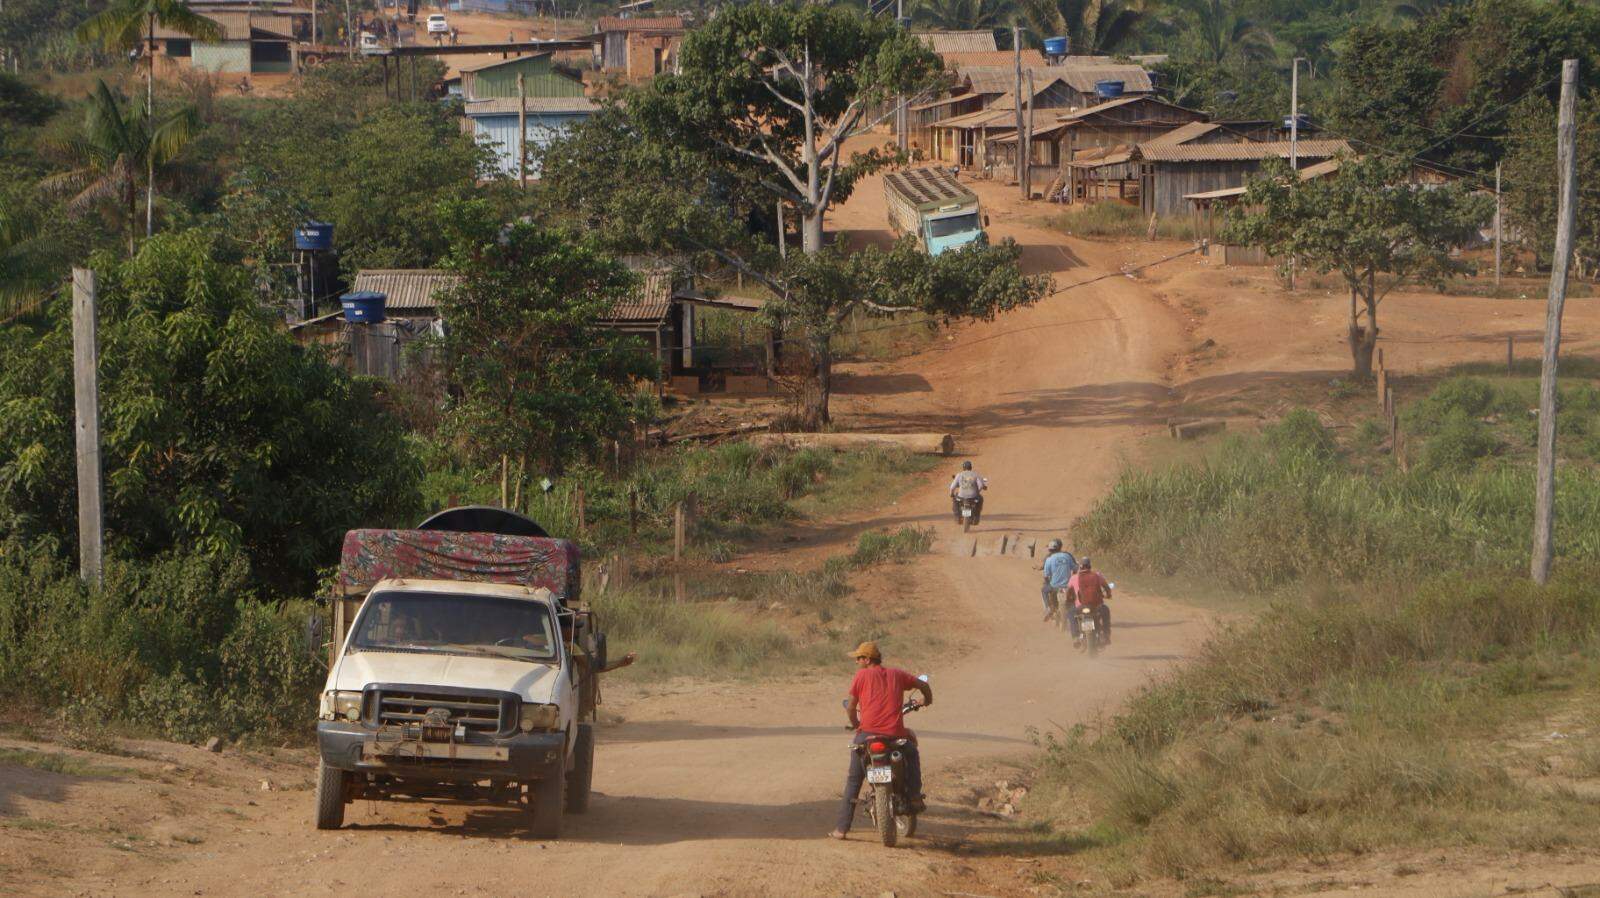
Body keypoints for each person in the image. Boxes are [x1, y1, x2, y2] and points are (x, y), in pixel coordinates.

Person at [829, 641, 932, 840]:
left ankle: (841, 829)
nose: (857, 661)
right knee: (911, 751)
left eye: (859, 658)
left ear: (867, 660)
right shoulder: (897, 675)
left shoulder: (861, 675)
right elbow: (923, 685)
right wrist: (927, 701)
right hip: (895, 735)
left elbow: (851, 707)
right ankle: (914, 796)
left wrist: (856, 723)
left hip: (867, 735)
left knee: (854, 780)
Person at [1066, 557, 1113, 646]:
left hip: (1081, 606)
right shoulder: (1097, 575)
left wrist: (1069, 599)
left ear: (1080, 567)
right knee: (1106, 611)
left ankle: (1076, 637)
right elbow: (1106, 587)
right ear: (1090, 566)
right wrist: (1108, 595)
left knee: (1071, 613)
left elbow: (1068, 592)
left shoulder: (1074, 578)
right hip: (1097, 606)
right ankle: (1105, 635)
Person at [1035, 538, 1077, 622]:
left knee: (1044, 590)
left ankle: (1048, 608)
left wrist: (1047, 582)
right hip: (1067, 585)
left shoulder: (1049, 558)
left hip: (1054, 586)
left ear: (1050, 549)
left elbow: (1046, 575)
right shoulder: (1067, 555)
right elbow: (1075, 568)